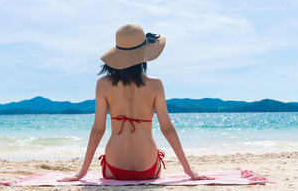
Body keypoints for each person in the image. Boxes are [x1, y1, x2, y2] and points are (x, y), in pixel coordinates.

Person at [59, 24, 212, 181]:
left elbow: (98, 129)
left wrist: (82, 172)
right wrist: (189, 170)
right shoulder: (156, 84)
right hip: (147, 168)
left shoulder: (102, 84)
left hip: (115, 168)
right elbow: (167, 128)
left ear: (117, 55)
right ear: (144, 54)